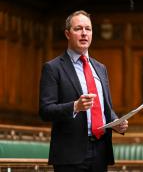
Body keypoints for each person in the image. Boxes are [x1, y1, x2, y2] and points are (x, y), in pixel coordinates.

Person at [39, 10, 128, 172]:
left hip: (101, 150)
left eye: (88, 29)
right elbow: (45, 111)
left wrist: (116, 123)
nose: (84, 33)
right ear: (67, 34)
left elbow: (104, 108)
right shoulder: (53, 68)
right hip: (70, 154)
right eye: (78, 28)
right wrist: (75, 106)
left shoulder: (101, 68)